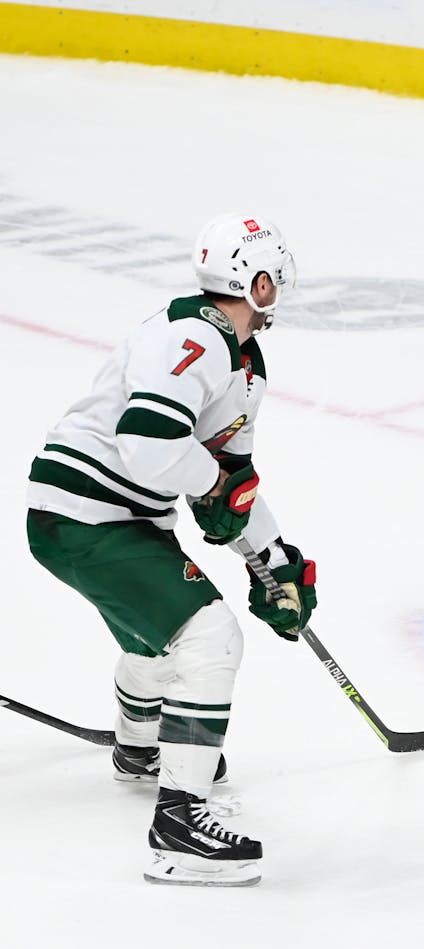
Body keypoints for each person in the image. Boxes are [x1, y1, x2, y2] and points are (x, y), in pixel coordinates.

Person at [25, 214, 317, 887]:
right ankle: (180, 827)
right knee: (210, 638)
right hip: (88, 514)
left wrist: (272, 558)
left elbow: (228, 484)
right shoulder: (193, 337)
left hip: (113, 515)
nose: (280, 287)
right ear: (250, 281)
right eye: (271, 276)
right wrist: (214, 486)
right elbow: (151, 445)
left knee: (162, 642)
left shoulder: (244, 362)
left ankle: (142, 749)